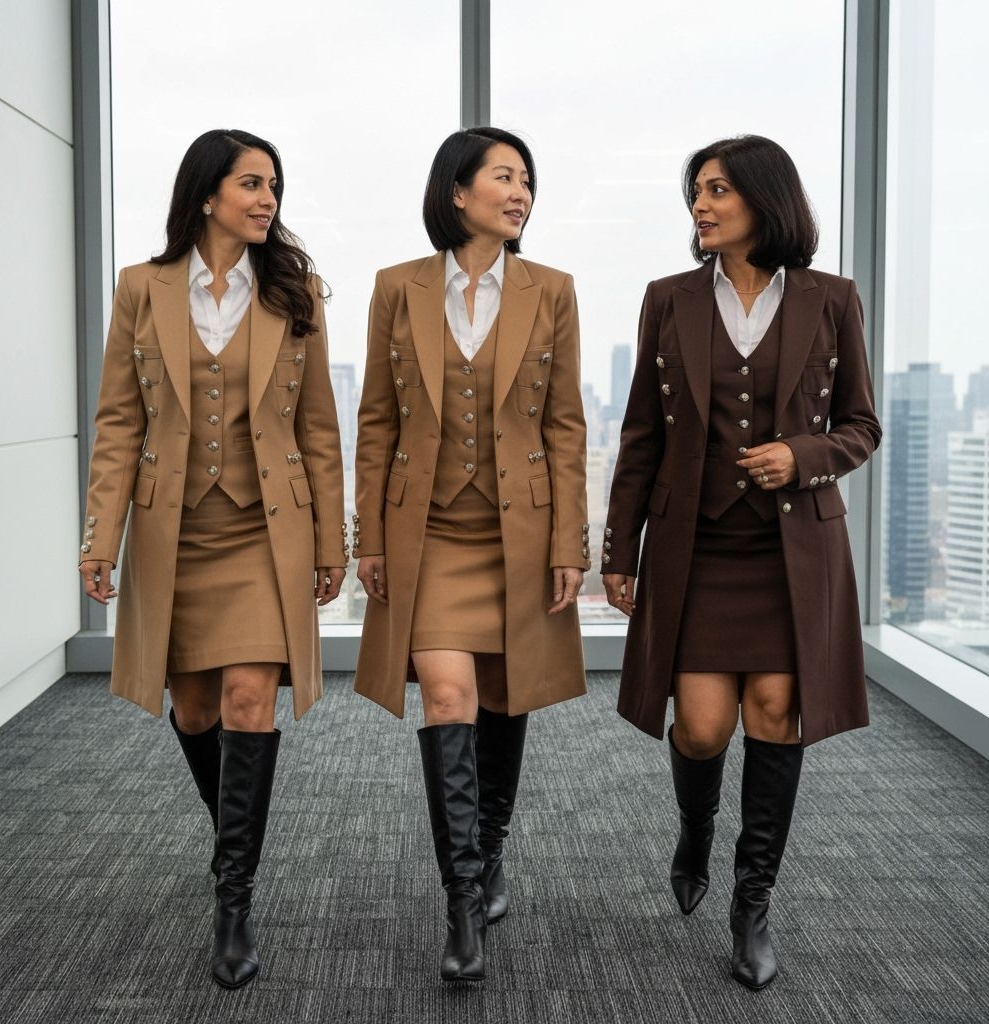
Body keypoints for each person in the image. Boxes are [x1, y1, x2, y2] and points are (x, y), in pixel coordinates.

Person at [602, 135, 881, 990]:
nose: (702, 204)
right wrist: (620, 551)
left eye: (717, 189)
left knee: (774, 711)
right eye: (696, 191)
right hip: (697, 547)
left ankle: (752, 904)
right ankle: (696, 828)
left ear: (765, 199)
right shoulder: (668, 299)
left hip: (793, 551)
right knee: (702, 726)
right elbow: (642, 434)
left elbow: (861, 428)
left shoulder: (832, 300)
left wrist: (801, 454)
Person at [78, 129, 346, 989]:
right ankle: (235, 839)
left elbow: (320, 430)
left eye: (274, 186)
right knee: (193, 709)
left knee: (246, 699)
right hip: (174, 534)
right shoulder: (141, 289)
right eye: (251, 184)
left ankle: (234, 898)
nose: (268, 199)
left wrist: (332, 541)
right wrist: (99, 537)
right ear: (206, 196)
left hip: (267, 532)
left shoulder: (294, 292)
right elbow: (119, 422)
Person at [352, 127, 590, 982]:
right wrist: (367, 537)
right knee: (447, 695)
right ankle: (461, 904)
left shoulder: (552, 289)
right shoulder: (395, 288)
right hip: (431, 534)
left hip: (517, 535)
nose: (520, 191)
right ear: (458, 192)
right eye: (503, 176)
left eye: (527, 179)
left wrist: (571, 543)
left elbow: (565, 426)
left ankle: (490, 855)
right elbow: (375, 422)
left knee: (502, 692)